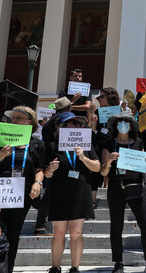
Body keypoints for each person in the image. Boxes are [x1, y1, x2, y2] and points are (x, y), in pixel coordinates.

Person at [100, 112, 146, 273]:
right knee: (116, 226)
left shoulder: (138, 142)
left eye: (126, 122)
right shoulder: (109, 143)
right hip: (116, 186)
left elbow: (143, 166)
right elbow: (103, 172)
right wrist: (109, 161)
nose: (123, 125)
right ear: (115, 125)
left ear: (131, 126)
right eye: (120, 122)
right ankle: (118, 262)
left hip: (136, 185)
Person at [0, 106, 44, 273]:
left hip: (21, 195)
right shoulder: (1, 139)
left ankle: (8, 268)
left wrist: (37, 183)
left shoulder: (36, 144)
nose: (14, 120)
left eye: (18, 118)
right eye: (13, 118)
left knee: (14, 234)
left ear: (29, 122)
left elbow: (40, 169)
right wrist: (0, 156)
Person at [43, 112, 101, 273]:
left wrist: (83, 158)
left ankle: (75, 267)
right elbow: (45, 173)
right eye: (73, 123)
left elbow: (97, 167)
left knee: (76, 233)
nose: (77, 126)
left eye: (79, 123)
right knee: (58, 233)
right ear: (63, 126)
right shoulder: (53, 146)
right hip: (59, 191)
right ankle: (55, 267)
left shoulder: (85, 145)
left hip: (80, 191)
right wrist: (50, 169)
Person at [33, 97, 71, 236]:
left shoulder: (48, 122)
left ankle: (43, 224)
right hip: (56, 160)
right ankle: (40, 226)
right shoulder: (59, 122)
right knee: (49, 194)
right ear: (67, 109)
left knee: (50, 193)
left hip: (50, 159)